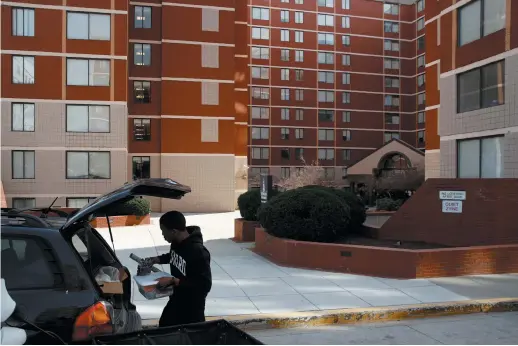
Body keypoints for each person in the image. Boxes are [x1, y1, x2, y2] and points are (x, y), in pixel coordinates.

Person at [140, 211, 212, 327]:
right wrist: (157, 259)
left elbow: (204, 284)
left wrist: (173, 281)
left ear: (174, 231)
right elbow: (174, 256)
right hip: (176, 298)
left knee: (189, 337)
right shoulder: (176, 242)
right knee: (164, 325)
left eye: (164, 232)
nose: (163, 236)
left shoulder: (199, 252)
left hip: (192, 308)